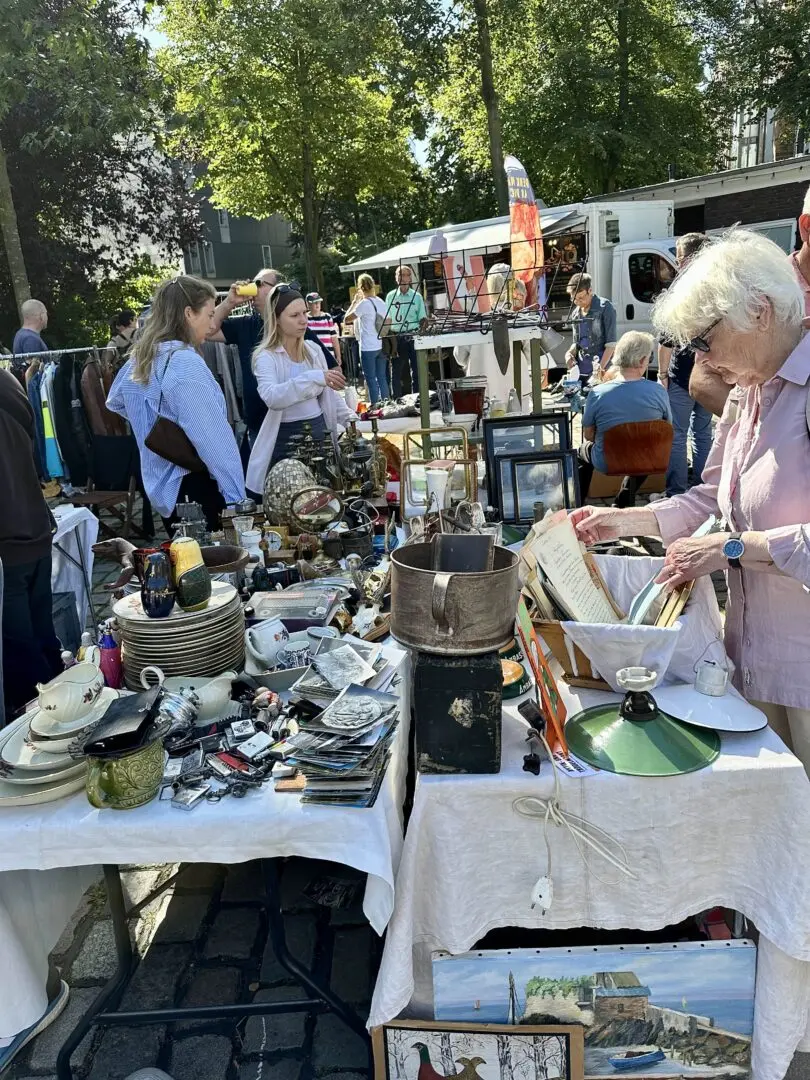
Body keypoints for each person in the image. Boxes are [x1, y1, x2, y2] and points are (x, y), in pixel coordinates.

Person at [570, 230, 810, 768]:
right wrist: (620, 520)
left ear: (760, 312)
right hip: (748, 668)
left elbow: (730, 535)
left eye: (704, 340)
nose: (699, 360)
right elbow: (710, 500)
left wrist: (732, 549)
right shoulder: (750, 392)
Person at [106, 275, 245, 531]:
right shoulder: (183, 362)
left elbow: (116, 402)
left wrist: (155, 424)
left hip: (164, 484)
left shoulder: (143, 357)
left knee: (185, 565)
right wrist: (237, 498)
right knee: (212, 567)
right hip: (194, 484)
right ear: (189, 314)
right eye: (209, 314)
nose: (212, 323)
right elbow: (212, 440)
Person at [246, 285, 356, 497]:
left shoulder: (313, 350)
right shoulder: (266, 357)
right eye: (294, 315)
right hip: (287, 441)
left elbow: (329, 395)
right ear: (276, 319)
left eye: (305, 313)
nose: (304, 320)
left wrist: (351, 421)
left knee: (326, 502)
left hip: (320, 434)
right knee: (293, 506)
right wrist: (314, 377)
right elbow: (272, 397)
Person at [0, 367, 62, 717]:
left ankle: (47, 729)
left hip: (10, 542)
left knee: (22, 652)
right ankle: (66, 717)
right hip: (33, 529)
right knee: (41, 640)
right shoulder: (8, 380)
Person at [578, 331, 671, 506]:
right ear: (643, 360)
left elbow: (589, 436)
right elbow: (665, 428)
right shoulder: (659, 391)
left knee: (580, 453)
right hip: (649, 459)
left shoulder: (598, 393)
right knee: (644, 446)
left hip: (608, 461)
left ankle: (578, 503)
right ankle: (624, 500)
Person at [657, 233, 714, 496]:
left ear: (690, 258)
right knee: (703, 433)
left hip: (682, 376)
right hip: (713, 372)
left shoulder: (679, 292)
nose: (678, 265)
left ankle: (677, 493)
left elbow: (666, 341)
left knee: (677, 435)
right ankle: (703, 489)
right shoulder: (720, 289)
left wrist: (662, 374)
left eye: (680, 259)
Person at [454, 264, 532, 409]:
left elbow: (460, 357)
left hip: (483, 394)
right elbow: (531, 357)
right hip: (517, 392)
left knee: (486, 431)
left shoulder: (474, 319)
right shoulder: (520, 318)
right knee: (521, 429)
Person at [344, 273, 390, 404]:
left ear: (360, 288)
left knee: (370, 379)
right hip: (381, 344)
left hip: (368, 347)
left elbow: (346, 319)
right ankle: (386, 403)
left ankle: (375, 405)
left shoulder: (363, 304)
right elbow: (389, 320)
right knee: (382, 377)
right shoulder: (381, 302)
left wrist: (354, 303)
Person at [565, 273, 617, 380]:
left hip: (604, 369)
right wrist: (569, 354)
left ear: (590, 291)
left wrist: (599, 370)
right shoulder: (575, 314)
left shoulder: (605, 307)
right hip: (581, 371)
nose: (577, 302)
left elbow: (611, 345)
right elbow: (576, 343)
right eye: (574, 299)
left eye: (581, 298)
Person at [385, 264, 427, 396]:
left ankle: (417, 400)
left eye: (405, 275)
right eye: (399, 275)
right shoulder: (390, 296)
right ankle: (397, 400)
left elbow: (422, 318)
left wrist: (423, 331)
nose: (402, 278)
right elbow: (387, 319)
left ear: (410, 278)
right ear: (396, 278)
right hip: (396, 337)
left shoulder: (417, 297)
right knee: (396, 372)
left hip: (413, 336)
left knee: (417, 370)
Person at [306, 292, 341, 368]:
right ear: (308, 304)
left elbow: (334, 338)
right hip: (312, 358)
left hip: (329, 356)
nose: (317, 304)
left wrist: (338, 355)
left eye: (318, 302)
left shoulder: (327, 317)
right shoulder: (305, 319)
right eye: (314, 303)